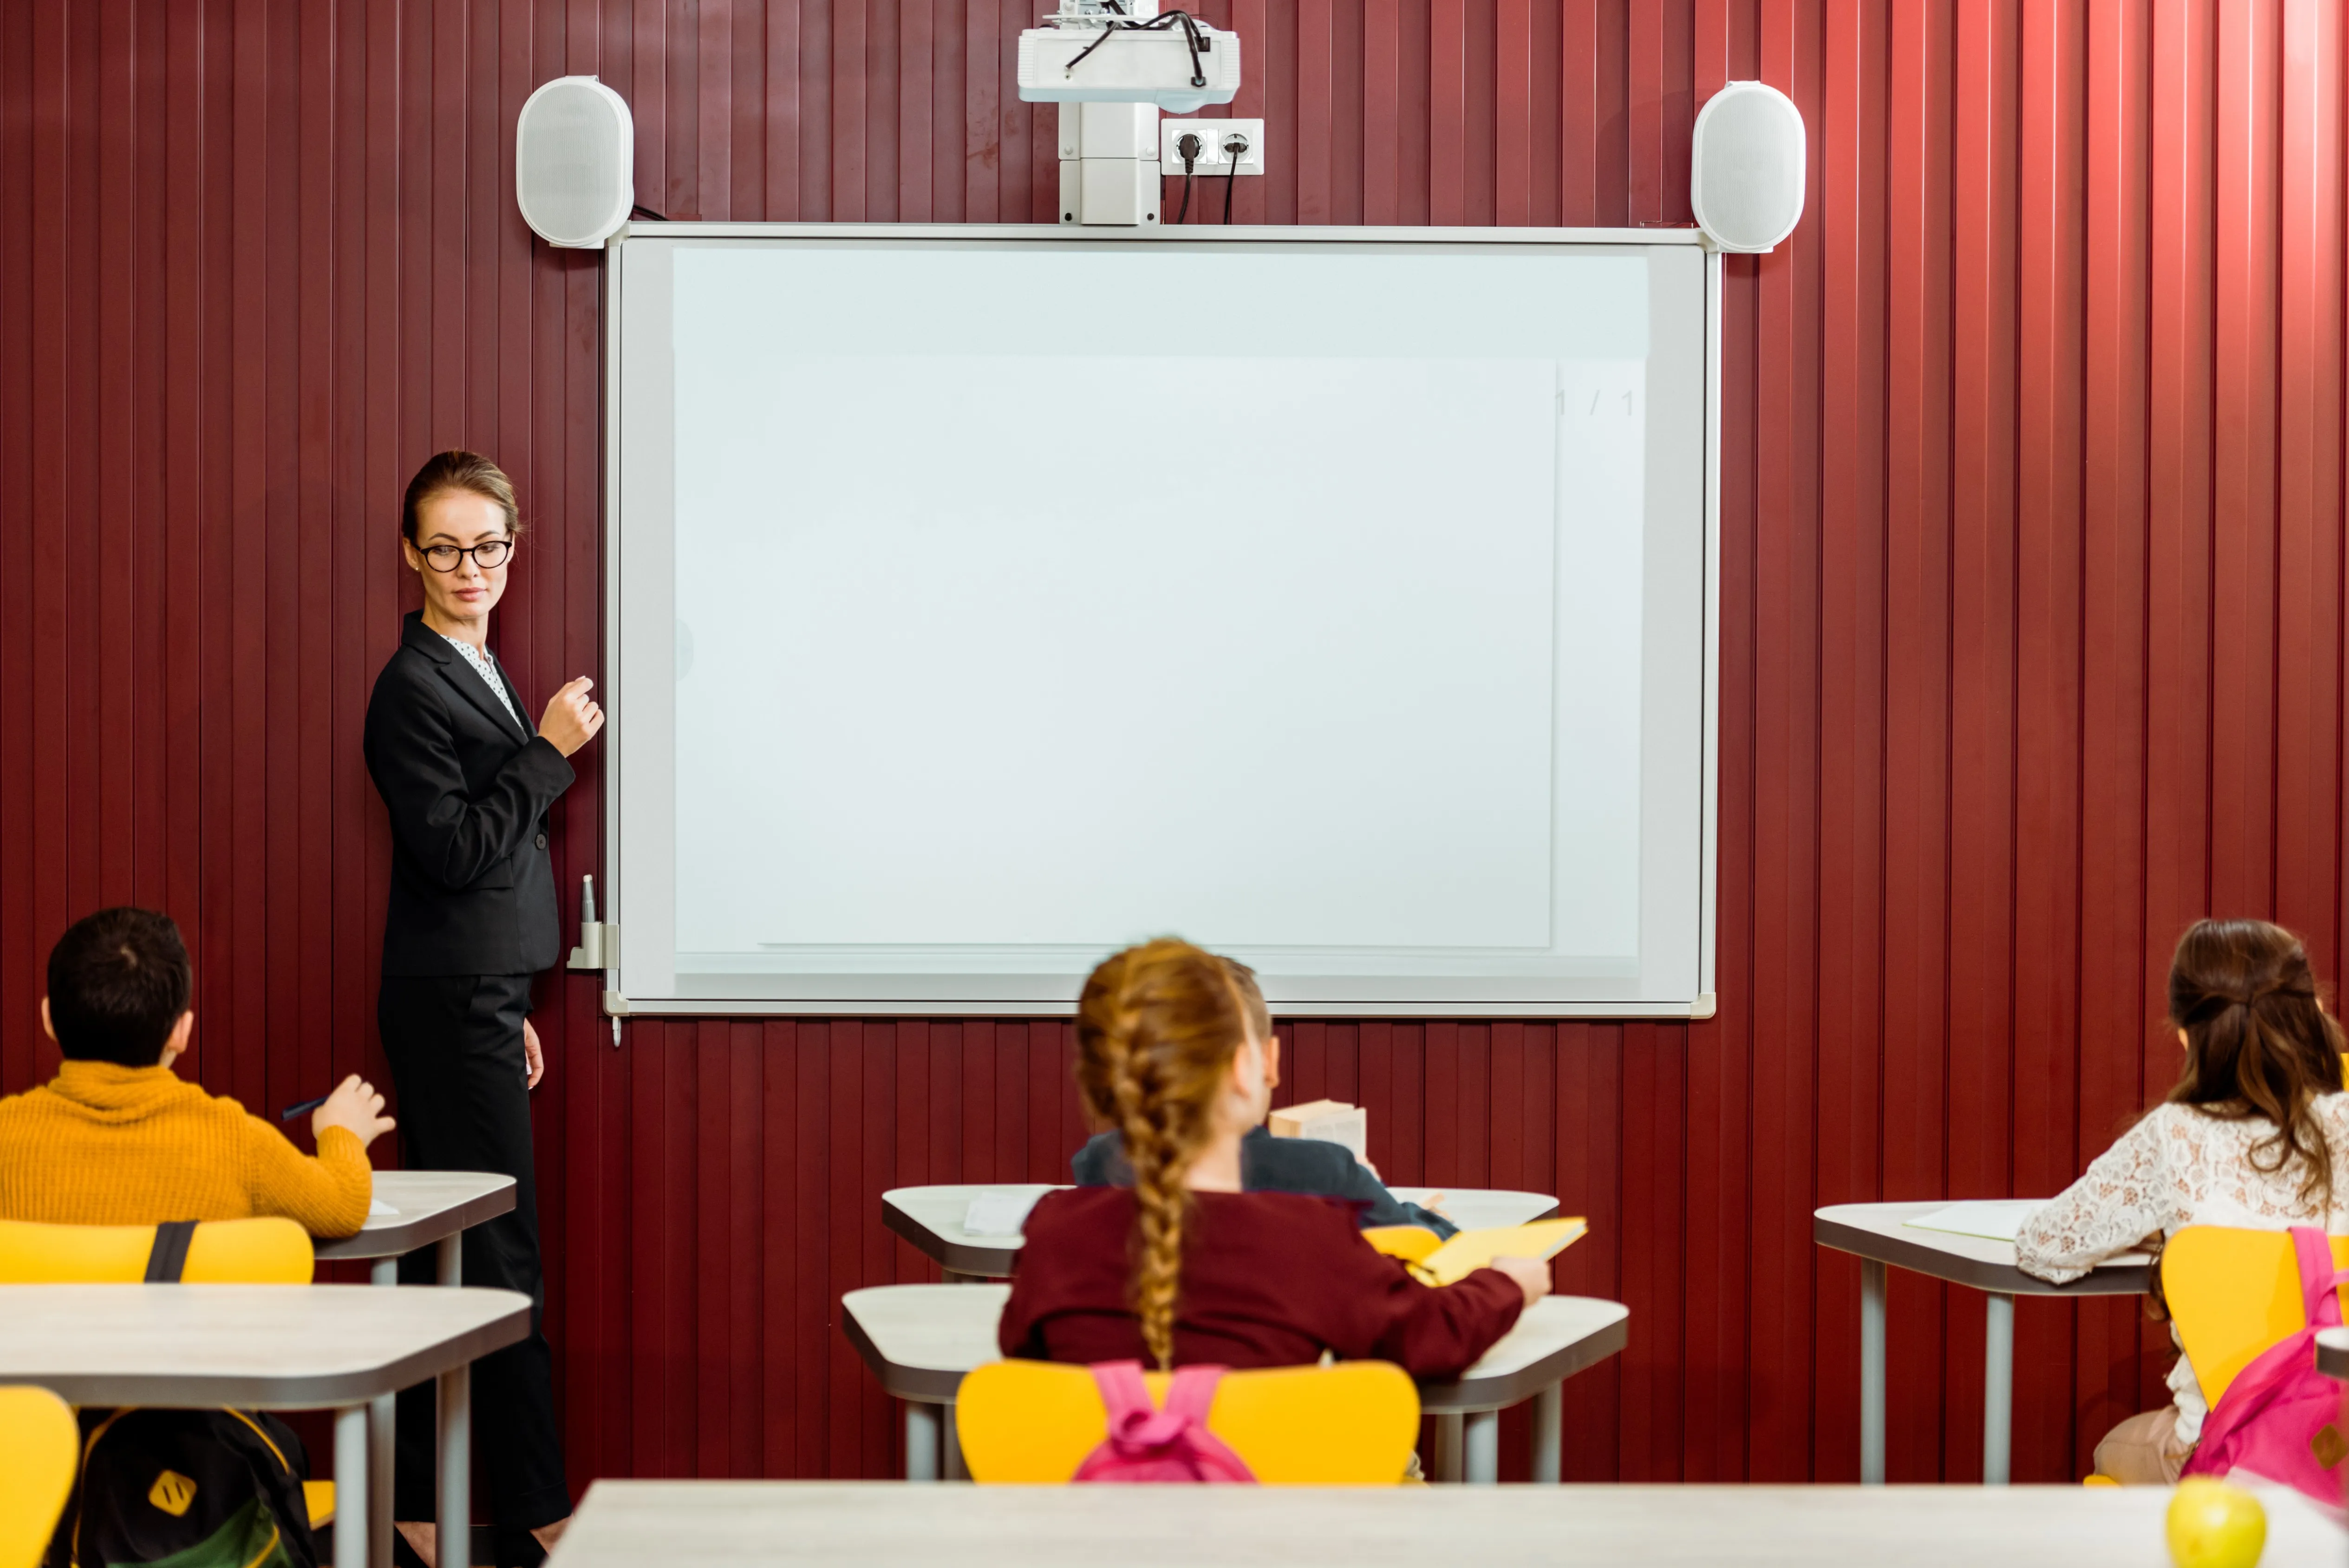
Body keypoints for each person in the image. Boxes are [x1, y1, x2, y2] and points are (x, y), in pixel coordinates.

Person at [364, 451, 601, 1566]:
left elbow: (484, 873)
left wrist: (504, 995)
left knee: (449, 1256)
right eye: (449, 547)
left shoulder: (475, 661)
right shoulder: (409, 684)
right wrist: (549, 753)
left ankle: (413, 1507)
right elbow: (455, 847)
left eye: (490, 545)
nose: (472, 567)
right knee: (502, 1256)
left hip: (475, 992)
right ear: (412, 553)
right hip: (450, 995)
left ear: (515, 546)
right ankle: (540, 1506)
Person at [1001, 938, 1546, 1376]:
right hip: (1277, 1515)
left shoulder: (1053, 1234)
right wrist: (1508, 1283)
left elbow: (1022, 1355)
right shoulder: (1310, 1238)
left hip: (1094, 1514)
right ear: (1253, 1066)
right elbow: (1435, 1337)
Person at [2015, 917, 2349, 1484]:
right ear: (2309, 1013)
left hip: (2228, 1453)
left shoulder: (2175, 1136)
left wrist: (2169, 1228)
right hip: (2339, 1446)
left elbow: (2042, 1247)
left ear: (2186, 1033)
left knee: (2107, 1452)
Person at [0, 906, 392, 1229]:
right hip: (176, 1327)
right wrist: (342, 1131)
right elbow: (343, 1205)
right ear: (181, 1032)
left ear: (48, 1018)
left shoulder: (7, 1132)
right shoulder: (234, 1140)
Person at [1069, 977, 1456, 1237]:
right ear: (1266, 1061)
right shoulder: (1325, 1172)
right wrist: (1376, 1189)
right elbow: (1421, 1241)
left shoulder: (1097, 1161)